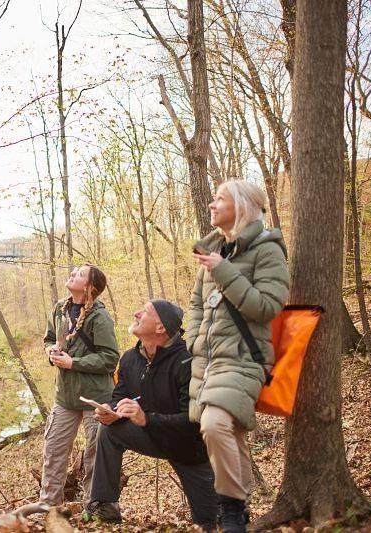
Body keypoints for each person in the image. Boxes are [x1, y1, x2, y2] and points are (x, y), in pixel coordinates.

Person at [188, 181, 289, 532]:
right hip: (208, 361)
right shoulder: (212, 250)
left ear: (242, 206)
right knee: (231, 431)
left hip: (245, 358)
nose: (212, 204)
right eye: (212, 197)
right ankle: (240, 511)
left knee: (214, 424)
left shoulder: (267, 249)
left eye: (220, 199)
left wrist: (223, 270)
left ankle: (230, 509)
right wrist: (193, 341)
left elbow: (266, 307)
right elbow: (197, 305)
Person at [84, 300, 218, 529]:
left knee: (211, 523)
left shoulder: (189, 361)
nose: (136, 312)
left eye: (145, 311)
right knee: (107, 430)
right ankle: (105, 506)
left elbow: (194, 422)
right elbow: (120, 395)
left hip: (191, 450)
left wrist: (146, 418)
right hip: (152, 436)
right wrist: (113, 411)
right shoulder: (129, 359)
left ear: (161, 328)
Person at [40, 264, 120, 505]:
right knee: (54, 451)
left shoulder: (100, 316)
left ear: (90, 287)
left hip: (95, 396)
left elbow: (110, 358)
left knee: (95, 455)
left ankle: (94, 506)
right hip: (65, 395)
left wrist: (73, 362)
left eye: (80, 274)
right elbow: (49, 339)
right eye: (73, 271)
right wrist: (51, 352)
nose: (73, 274)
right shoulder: (59, 309)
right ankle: (48, 506)